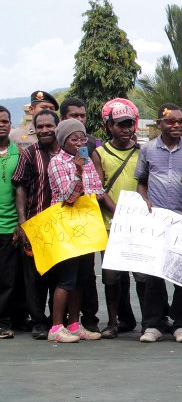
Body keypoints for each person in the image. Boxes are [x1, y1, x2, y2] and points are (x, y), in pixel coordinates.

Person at [136, 102, 182, 343]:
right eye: (171, 121)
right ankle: (153, 324)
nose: (176, 125)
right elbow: (142, 181)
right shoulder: (147, 150)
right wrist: (144, 200)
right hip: (156, 222)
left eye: (180, 122)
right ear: (159, 123)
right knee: (154, 275)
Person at [45, 119, 115, 343]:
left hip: (86, 224)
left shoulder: (87, 160)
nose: (79, 143)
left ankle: (74, 325)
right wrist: (77, 170)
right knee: (66, 277)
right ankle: (56, 327)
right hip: (67, 226)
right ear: (62, 140)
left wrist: (118, 212)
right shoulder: (57, 162)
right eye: (73, 139)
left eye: (82, 138)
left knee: (81, 277)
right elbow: (68, 196)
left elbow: (97, 190)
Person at [92, 99, 143, 339]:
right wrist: (119, 213)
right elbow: (98, 189)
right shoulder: (100, 153)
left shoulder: (142, 151)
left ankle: (149, 321)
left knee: (142, 274)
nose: (126, 129)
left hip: (139, 223)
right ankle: (113, 322)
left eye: (129, 124)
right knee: (112, 276)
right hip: (111, 223)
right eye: (120, 125)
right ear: (109, 126)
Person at [12, 110, 62, 339]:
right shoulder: (29, 153)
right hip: (36, 224)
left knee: (59, 275)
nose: (44, 130)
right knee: (34, 277)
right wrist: (23, 223)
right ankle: (39, 322)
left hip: (63, 228)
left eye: (48, 126)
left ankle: (58, 320)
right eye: (39, 126)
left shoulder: (67, 153)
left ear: (57, 126)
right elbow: (20, 187)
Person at [0, 106, 21, 339]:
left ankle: (3, 322)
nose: (1, 125)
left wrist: (20, 223)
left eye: (5, 121)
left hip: (9, 227)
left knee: (7, 278)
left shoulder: (19, 154)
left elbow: (22, 192)